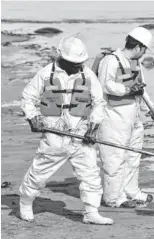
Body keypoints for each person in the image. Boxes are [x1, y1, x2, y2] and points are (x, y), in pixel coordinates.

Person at [19, 33, 113, 225]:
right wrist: (33, 118)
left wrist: (93, 126)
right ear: (61, 57)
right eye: (73, 62)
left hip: (81, 133)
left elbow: (99, 103)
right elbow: (28, 98)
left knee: (91, 173)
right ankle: (26, 201)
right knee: (40, 172)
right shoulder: (45, 74)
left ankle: (91, 212)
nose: (78, 66)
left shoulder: (87, 75)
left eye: (80, 62)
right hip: (55, 133)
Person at [96, 27, 154, 208]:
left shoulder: (136, 63)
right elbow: (105, 85)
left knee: (134, 157)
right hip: (113, 118)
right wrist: (127, 90)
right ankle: (113, 198)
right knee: (115, 159)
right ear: (138, 47)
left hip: (133, 118)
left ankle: (131, 192)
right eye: (144, 50)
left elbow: (142, 91)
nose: (143, 54)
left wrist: (153, 112)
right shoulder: (110, 61)